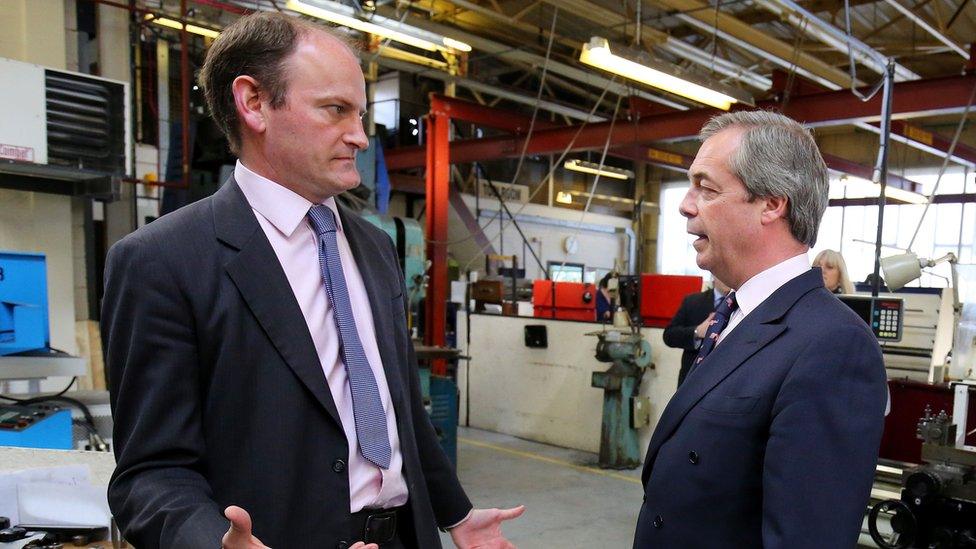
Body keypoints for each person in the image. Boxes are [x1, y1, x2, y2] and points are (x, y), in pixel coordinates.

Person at [102, 12, 522, 549]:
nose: (360, 136)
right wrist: (210, 542)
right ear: (253, 103)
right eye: (335, 110)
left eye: (361, 114)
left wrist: (455, 513)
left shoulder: (372, 247)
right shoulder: (162, 261)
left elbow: (396, 407)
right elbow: (150, 473)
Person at [633, 111, 887, 548]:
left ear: (772, 203)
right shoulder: (737, 315)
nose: (685, 204)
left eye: (706, 188)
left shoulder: (832, 345)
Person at [662, 278, 731, 387]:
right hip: (690, 381)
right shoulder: (692, 301)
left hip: (725, 383)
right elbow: (669, 335)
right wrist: (697, 332)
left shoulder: (744, 305)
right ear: (713, 274)